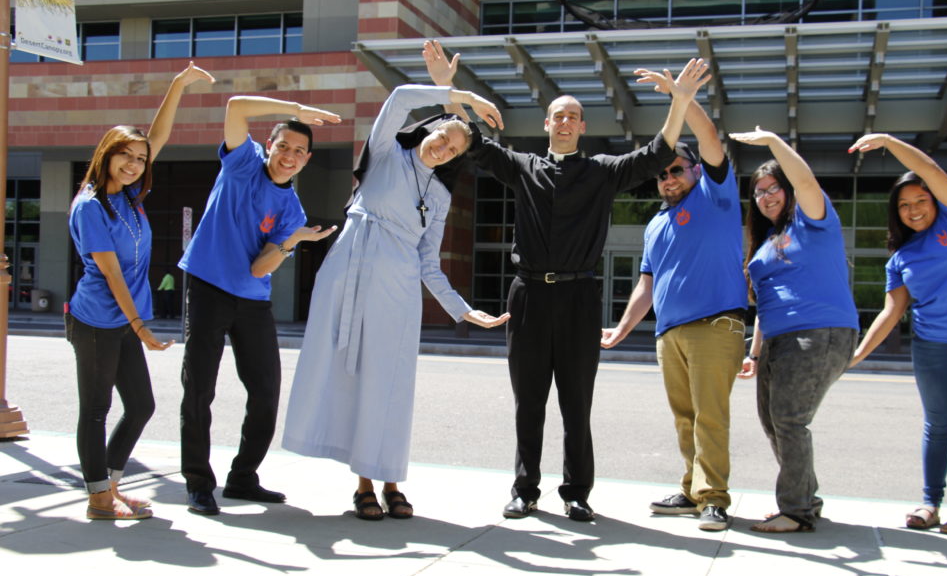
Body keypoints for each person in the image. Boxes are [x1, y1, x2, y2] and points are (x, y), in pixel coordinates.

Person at [426, 41, 711, 522]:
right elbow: (472, 139)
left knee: (577, 402)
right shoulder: (523, 168)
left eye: (572, 116)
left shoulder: (602, 172)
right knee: (528, 401)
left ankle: (577, 492)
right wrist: (445, 89)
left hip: (579, 297)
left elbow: (655, 153)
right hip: (530, 295)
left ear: (582, 127)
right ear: (547, 125)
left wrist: (679, 100)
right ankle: (525, 489)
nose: (564, 122)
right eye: (557, 115)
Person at [282, 80, 508, 520]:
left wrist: (461, 309)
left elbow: (429, 264)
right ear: (429, 130)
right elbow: (402, 96)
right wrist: (466, 99)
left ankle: (390, 480)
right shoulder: (384, 153)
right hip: (347, 271)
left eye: (454, 150)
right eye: (443, 136)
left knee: (389, 384)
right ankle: (363, 484)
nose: (443, 148)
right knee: (345, 376)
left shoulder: (439, 196)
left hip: (397, 289)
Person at [178, 94, 341, 516]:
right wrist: (298, 111)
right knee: (199, 389)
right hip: (209, 286)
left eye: (299, 151)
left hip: (251, 300)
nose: (289, 155)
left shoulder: (292, 210)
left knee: (266, 392)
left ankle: (243, 477)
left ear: (307, 161)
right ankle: (199, 482)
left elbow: (257, 269)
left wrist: (293, 240)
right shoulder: (243, 163)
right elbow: (234, 106)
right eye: (283, 145)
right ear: (269, 146)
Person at [67, 62, 214, 520]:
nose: (133, 165)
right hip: (95, 320)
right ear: (106, 154)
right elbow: (111, 275)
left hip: (124, 321)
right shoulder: (92, 207)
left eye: (139, 159)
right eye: (125, 156)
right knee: (96, 409)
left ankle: (109, 486)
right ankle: (97, 499)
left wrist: (178, 85)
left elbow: (158, 136)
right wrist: (141, 327)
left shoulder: (128, 197)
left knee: (142, 406)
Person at [848, 134, 947, 536]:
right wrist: (854, 355)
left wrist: (887, 141)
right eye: (904, 206)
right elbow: (891, 312)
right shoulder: (902, 258)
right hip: (933, 348)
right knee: (938, 425)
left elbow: (931, 171)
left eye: (920, 200)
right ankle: (930, 503)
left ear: (936, 200)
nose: (913, 210)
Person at [601, 100, 746, 532]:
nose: (668, 178)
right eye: (662, 173)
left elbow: (710, 140)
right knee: (685, 418)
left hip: (715, 326)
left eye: (676, 169)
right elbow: (646, 285)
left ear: (695, 170)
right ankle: (692, 490)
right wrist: (623, 329)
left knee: (710, 416)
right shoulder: (654, 226)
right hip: (669, 334)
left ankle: (715, 499)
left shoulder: (714, 196)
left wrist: (682, 99)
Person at [731, 126, 859, 533]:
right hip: (777, 340)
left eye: (773, 188)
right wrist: (753, 354)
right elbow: (767, 305)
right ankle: (805, 499)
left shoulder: (812, 219)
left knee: (789, 419)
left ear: (787, 190)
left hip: (819, 332)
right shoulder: (768, 239)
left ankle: (797, 510)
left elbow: (805, 179)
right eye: (758, 192)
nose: (765, 197)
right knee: (774, 422)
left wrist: (772, 142)